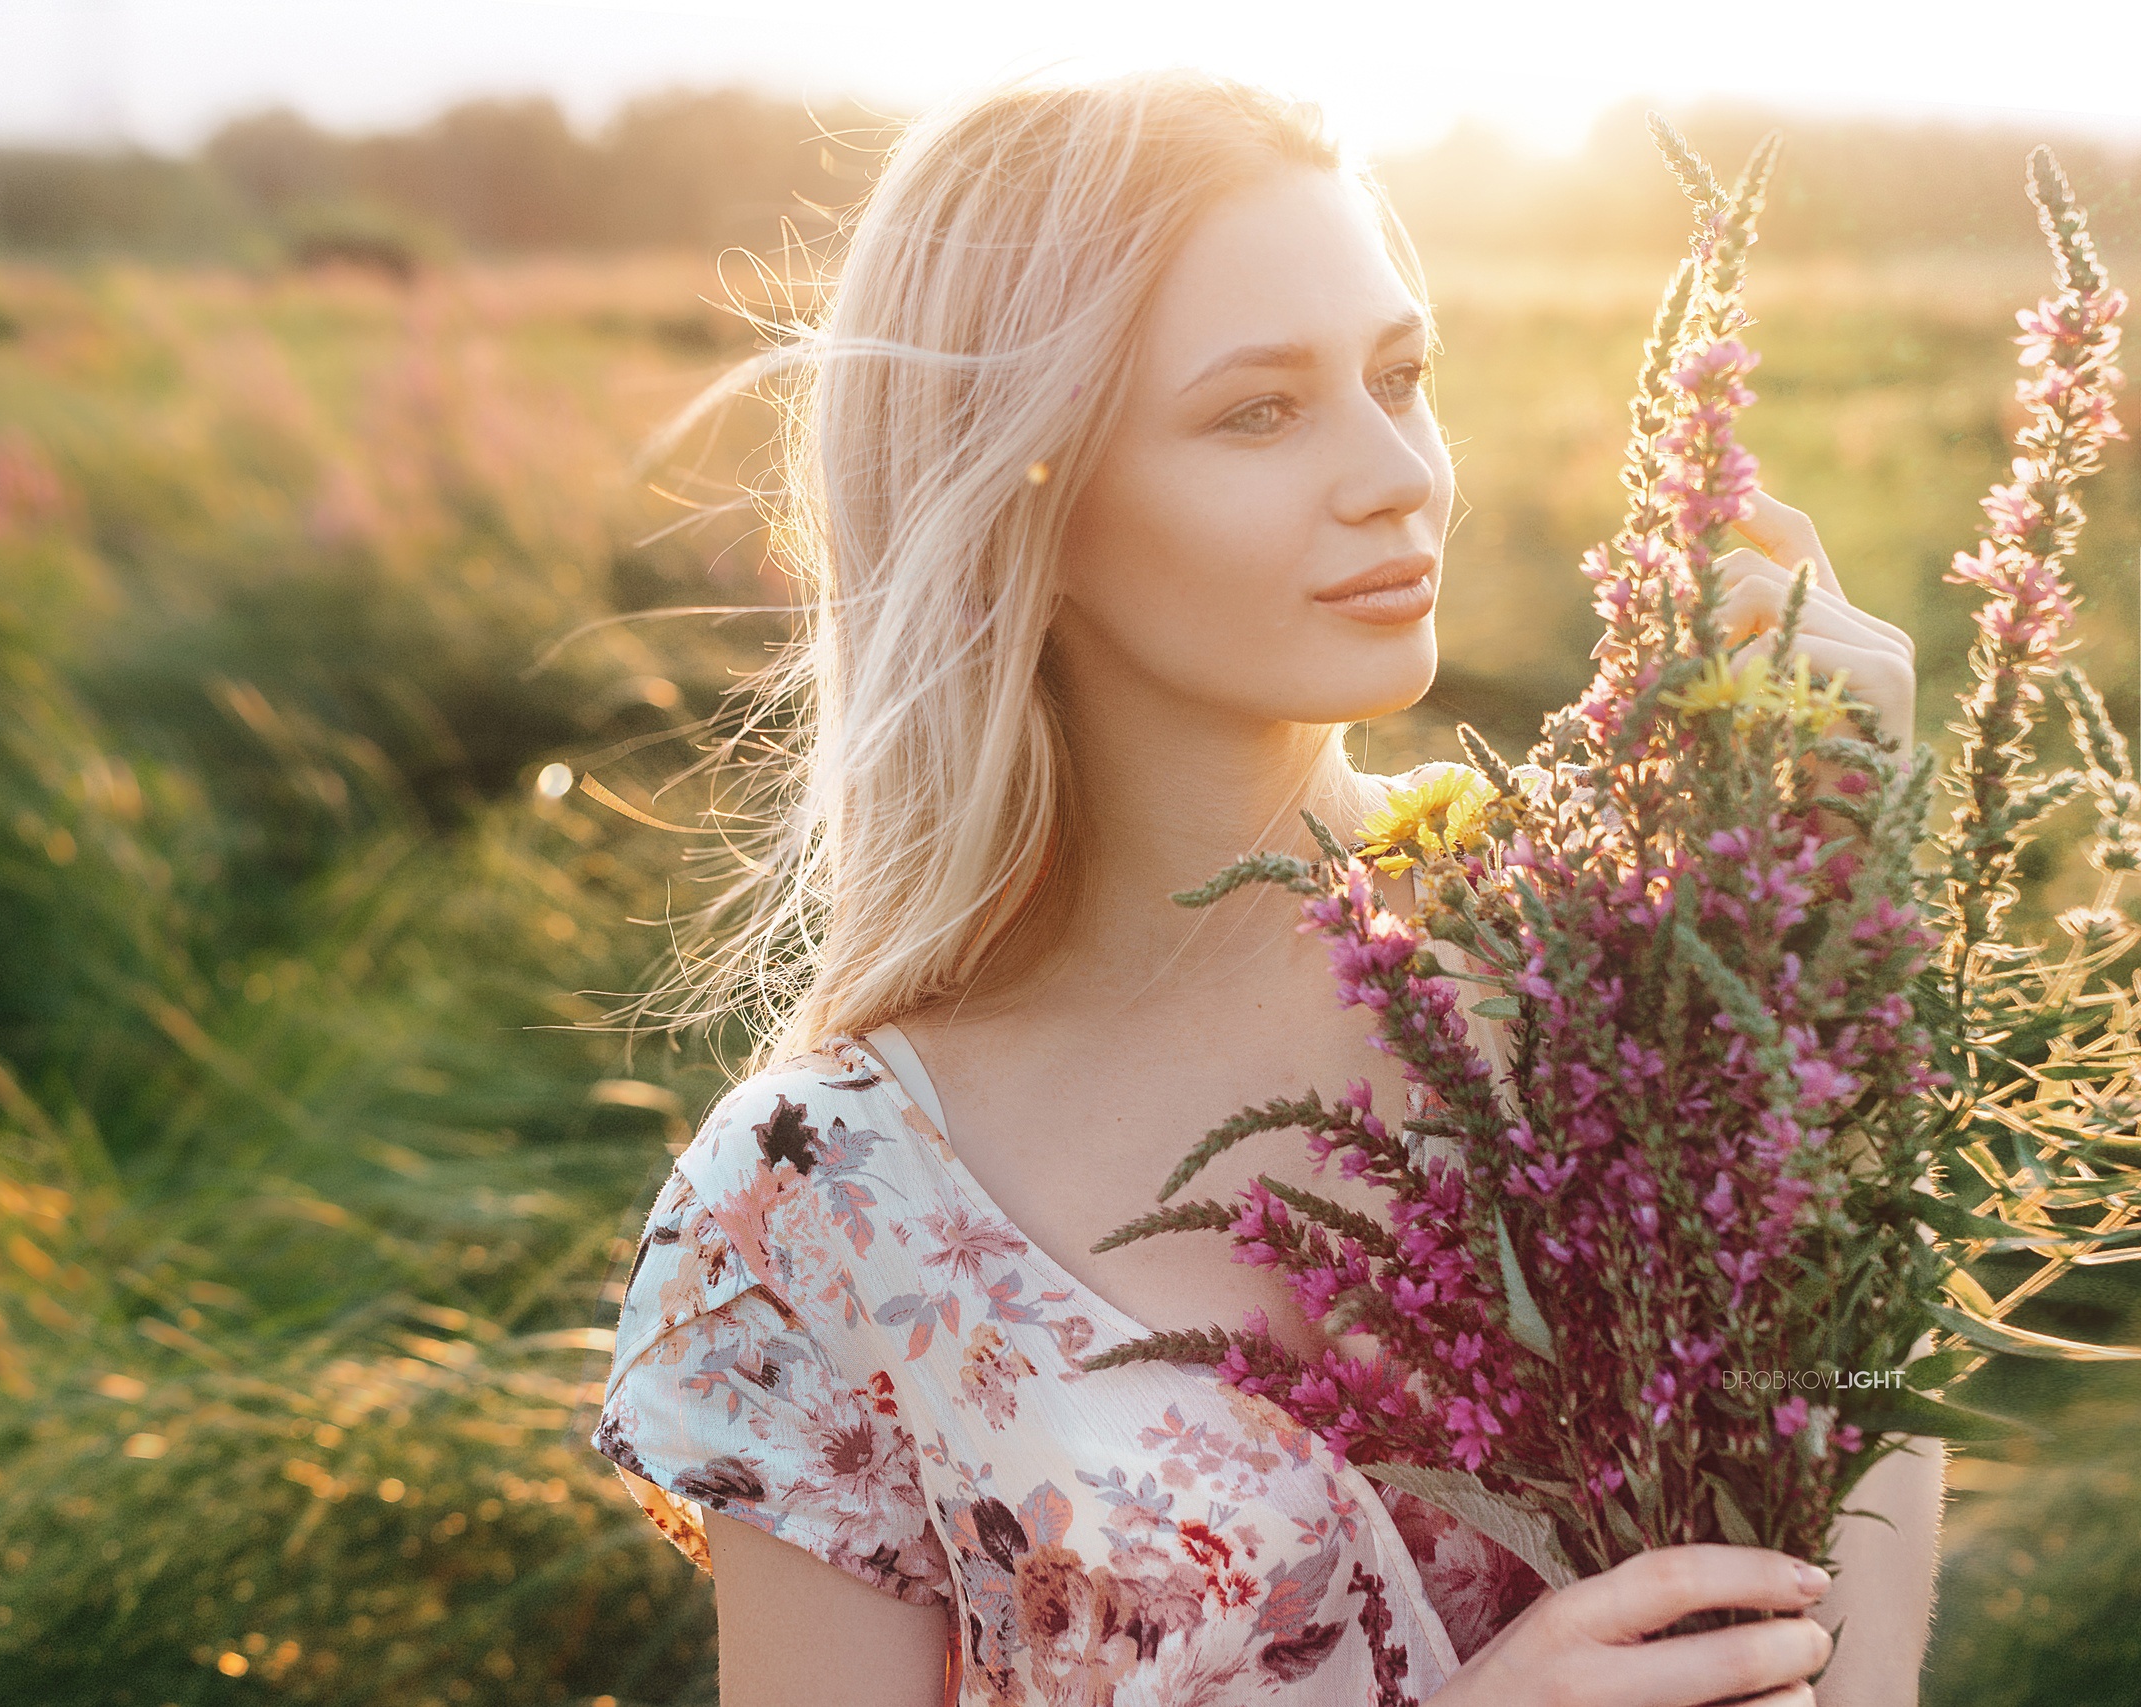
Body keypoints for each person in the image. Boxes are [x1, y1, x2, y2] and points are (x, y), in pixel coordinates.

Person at [591, 68, 1938, 1706]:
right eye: (1259, 411)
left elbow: (1848, 1495)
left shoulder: (1605, 976)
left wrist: (1830, 942)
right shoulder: (826, 1200)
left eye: (1402, 375)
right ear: (1033, 495)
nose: (1399, 475)